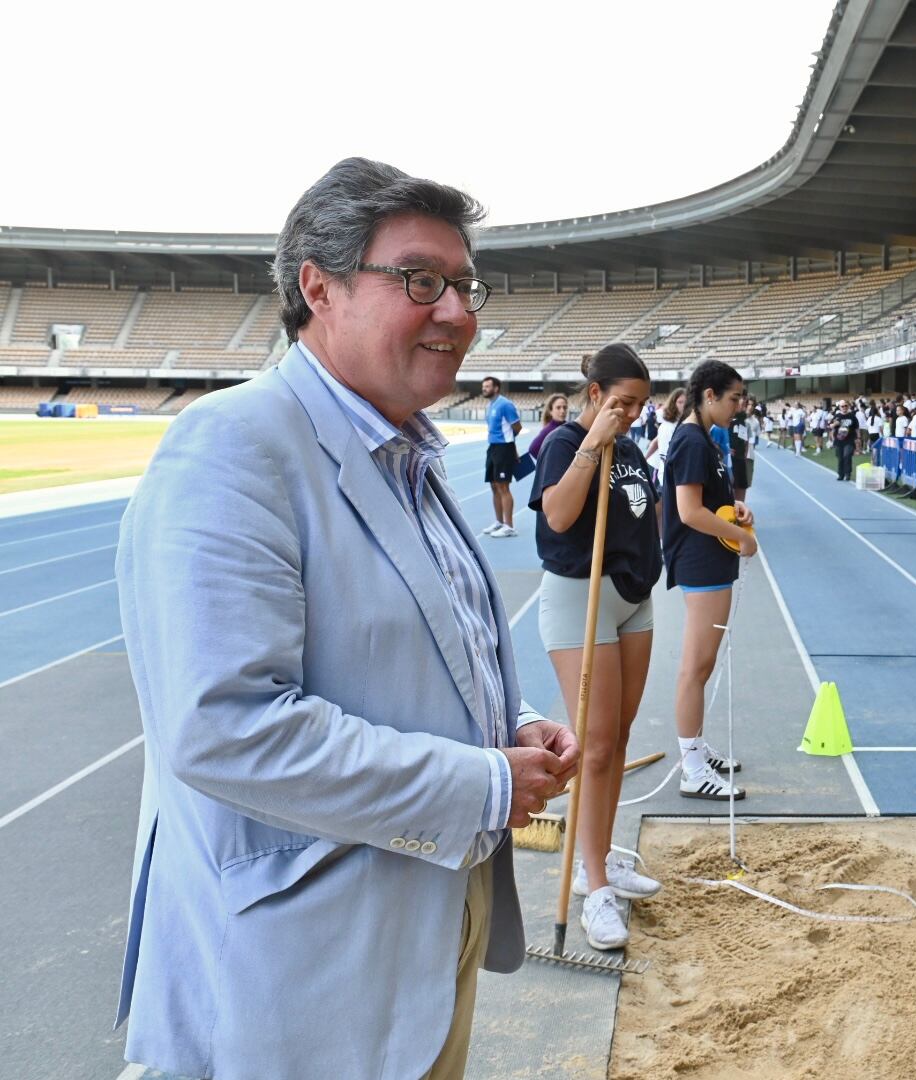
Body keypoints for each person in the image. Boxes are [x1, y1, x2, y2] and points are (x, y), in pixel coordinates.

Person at [113, 158, 580, 1079]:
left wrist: (506, 728)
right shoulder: (233, 447)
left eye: (464, 284)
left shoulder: (404, 448)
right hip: (303, 974)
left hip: (425, 922)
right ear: (317, 289)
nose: (457, 311)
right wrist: (484, 785)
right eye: (420, 281)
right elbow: (224, 729)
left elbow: (410, 655)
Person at [530, 345, 661, 952]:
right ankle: (594, 886)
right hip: (580, 601)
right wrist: (592, 443)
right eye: (622, 403)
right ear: (595, 395)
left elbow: (648, 512)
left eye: (638, 405)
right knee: (598, 745)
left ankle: (599, 857)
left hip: (633, 599)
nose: (631, 415)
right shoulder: (562, 443)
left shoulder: (632, 447)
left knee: (621, 738)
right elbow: (557, 517)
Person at [662, 359, 754, 801]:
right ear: (710, 395)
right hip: (701, 563)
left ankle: (695, 748)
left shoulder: (705, 438)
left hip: (710, 562)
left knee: (702, 666)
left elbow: (709, 502)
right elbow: (688, 511)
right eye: (734, 397)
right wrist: (742, 537)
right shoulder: (693, 440)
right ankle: (692, 768)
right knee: (695, 668)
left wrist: (735, 512)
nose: (740, 406)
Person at [481, 375, 522, 537]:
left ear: (496, 388)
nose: (484, 388)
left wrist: (511, 448)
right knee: (493, 485)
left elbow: (517, 428)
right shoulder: (490, 405)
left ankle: (509, 526)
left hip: (504, 449)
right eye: (483, 386)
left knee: (503, 486)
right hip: (493, 448)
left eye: (487, 386)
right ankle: (499, 522)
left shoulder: (505, 405)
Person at [645, 388, 685, 487]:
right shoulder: (668, 426)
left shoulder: (684, 424)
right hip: (662, 471)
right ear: (673, 404)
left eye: (686, 402)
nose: (683, 405)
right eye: (680, 402)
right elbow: (666, 457)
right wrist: (644, 459)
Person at [526, 392, 570, 468]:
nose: (562, 411)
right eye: (558, 407)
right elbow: (533, 448)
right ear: (550, 411)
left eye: (564, 407)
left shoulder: (568, 426)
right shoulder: (548, 430)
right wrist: (548, 464)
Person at [831, 398, 860, 482]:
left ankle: (848, 474)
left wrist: (858, 438)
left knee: (847, 456)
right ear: (839, 407)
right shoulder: (837, 416)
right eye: (842, 406)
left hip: (849, 440)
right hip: (839, 441)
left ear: (848, 406)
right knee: (840, 458)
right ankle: (841, 474)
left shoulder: (852, 416)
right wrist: (833, 436)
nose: (844, 407)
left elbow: (857, 428)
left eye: (845, 406)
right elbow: (831, 427)